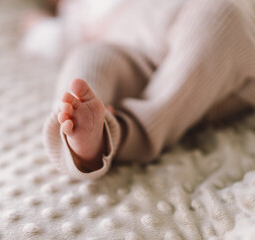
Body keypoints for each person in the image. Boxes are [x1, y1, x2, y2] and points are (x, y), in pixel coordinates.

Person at [23, 0, 255, 180]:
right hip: (136, 59)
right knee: (87, 61)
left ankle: (130, 130)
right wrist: (38, 25)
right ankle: (86, 134)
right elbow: (55, 40)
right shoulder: (77, 12)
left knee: (222, 13)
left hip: (202, 37)